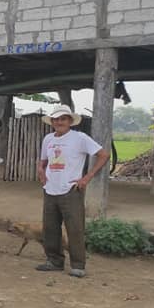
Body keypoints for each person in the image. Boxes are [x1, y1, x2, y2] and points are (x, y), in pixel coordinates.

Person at [35, 105, 109, 278]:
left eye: (63, 119)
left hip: (71, 189)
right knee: (50, 228)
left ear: (70, 121)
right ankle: (54, 261)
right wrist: (40, 169)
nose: (59, 122)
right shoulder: (48, 139)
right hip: (50, 188)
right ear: (52, 122)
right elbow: (43, 160)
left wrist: (87, 177)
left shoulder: (79, 138)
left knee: (75, 228)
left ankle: (78, 265)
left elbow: (103, 155)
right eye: (56, 119)